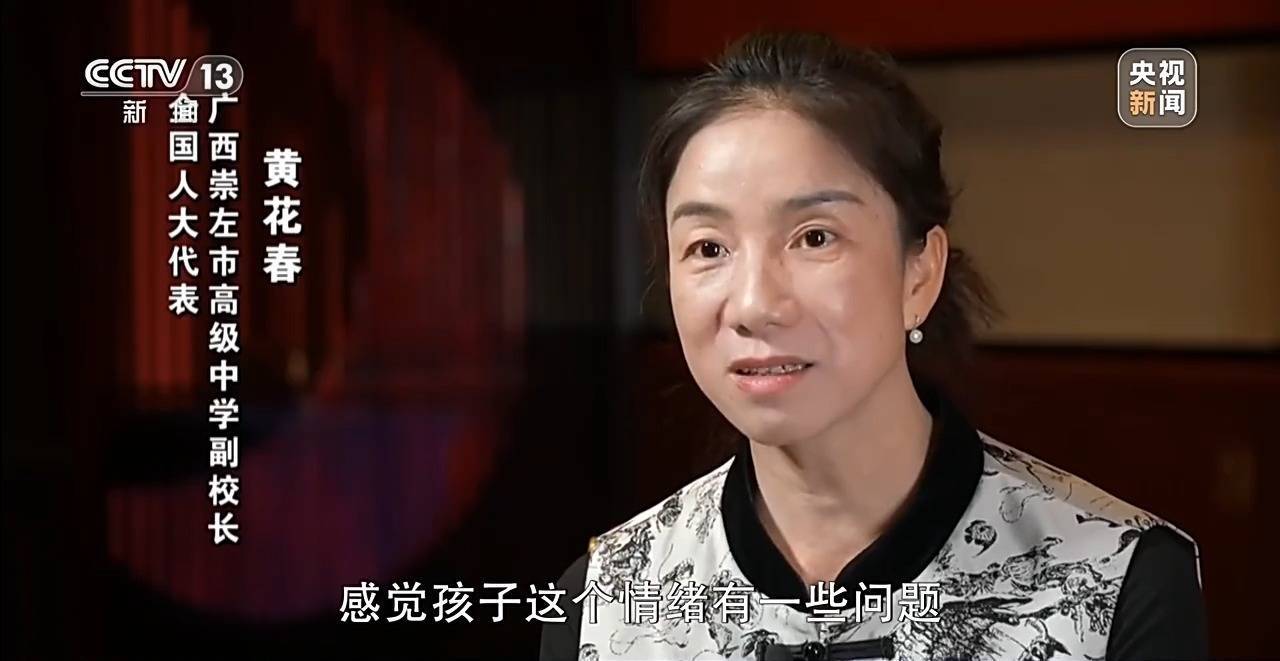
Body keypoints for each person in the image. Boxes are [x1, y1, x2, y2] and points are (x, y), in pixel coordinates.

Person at [541, 32, 1206, 661]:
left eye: (815, 237)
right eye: (708, 248)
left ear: (919, 273)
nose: (753, 304)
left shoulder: (1116, 582)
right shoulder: (603, 602)